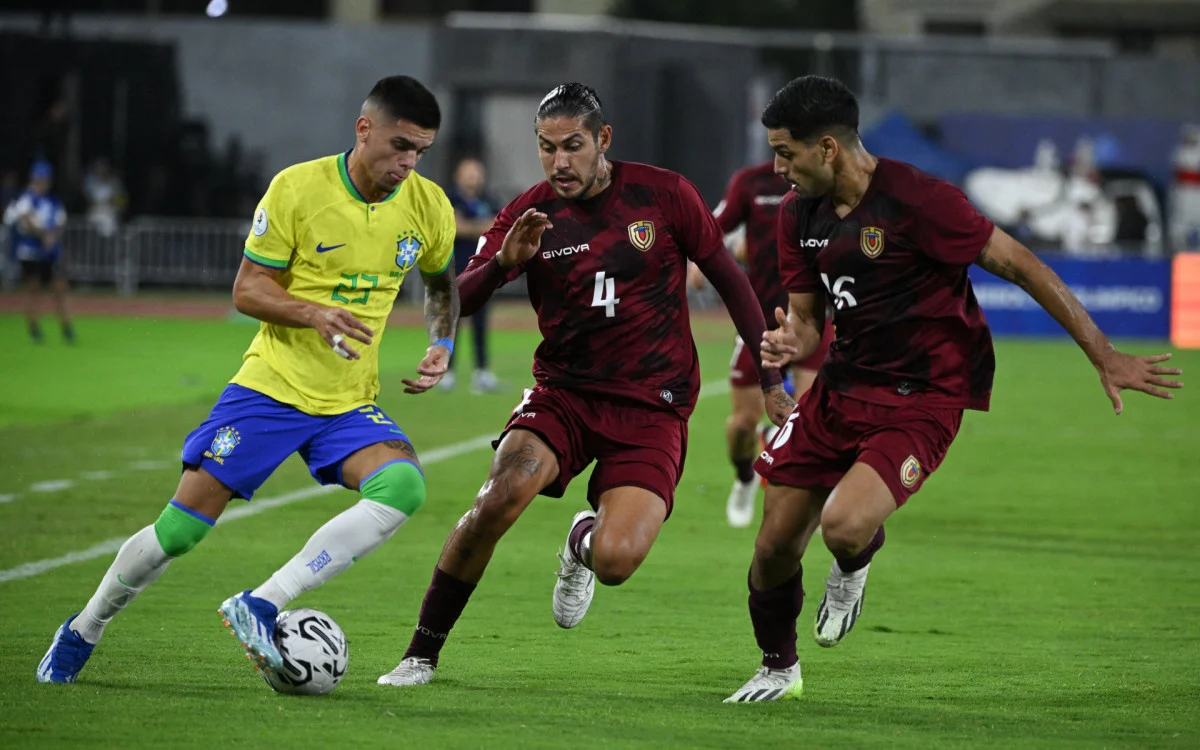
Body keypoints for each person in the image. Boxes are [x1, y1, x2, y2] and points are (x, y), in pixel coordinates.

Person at [725, 76, 1183, 703]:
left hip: (922, 398)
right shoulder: (800, 215)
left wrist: (1101, 352)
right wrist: (789, 345)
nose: (777, 168)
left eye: (786, 152)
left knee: (843, 526)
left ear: (827, 148)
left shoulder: (920, 201)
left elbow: (1020, 264)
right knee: (774, 544)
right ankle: (779, 668)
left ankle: (854, 564)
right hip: (840, 389)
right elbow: (807, 322)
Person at [37, 75, 460, 684]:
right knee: (177, 532)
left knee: (403, 488)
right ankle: (84, 628)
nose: (408, 163)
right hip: (272, 389)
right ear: (364, 129)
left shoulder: (428, 205)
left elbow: (443, 282)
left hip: (346, 402)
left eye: (420, 150)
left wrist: (441, 343)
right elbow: (247, 288)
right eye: (399, 146)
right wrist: (314, 312)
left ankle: (261, 602)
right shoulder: (298, 188)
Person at [377, 82, 794, 688]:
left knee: (617, 561)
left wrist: (772, 381)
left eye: (572, 146)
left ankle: (580, 542)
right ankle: (420, 654)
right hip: (565, 396)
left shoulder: (665, 195)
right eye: (546, 148)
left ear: (603, 140)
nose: (558, 162)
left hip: (653, 405)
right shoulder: (529, 212)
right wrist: (501, 264)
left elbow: (731, 282)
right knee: (497, 498)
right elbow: (449, 300)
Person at [690, 160, 835, 528]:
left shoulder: (829, 182)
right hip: (761, 323)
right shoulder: (751, 183)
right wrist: (696, 257)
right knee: (742, 424)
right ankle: (744, 478)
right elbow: (713, 225)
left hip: (814, 321)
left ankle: (800, 505)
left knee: (808, 416)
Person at [441, 155, 502, 393]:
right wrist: (481, 226)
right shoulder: (450, 198)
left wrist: (472, 225)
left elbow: (499, 225)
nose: (472, 177)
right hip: (453, 269)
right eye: (468, 172)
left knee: (481, 321)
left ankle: (482, 372)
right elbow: (456, 227)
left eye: (475, 172)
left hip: (482, 270)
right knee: (450, 321)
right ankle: (446, 371)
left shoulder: (489, 199)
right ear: (458, 175)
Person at [4, 160, 73, 343]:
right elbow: (25, 219)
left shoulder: (53, 201)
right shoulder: (26, 199)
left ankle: (66, 327)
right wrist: (43, 234)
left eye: (45, 178)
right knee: (33, 289)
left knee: (59, 288)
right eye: (39, 178)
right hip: (30, 250)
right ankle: (33, 326)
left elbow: (59, 222)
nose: (42, 182)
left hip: (51, 250)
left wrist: (52, 237)